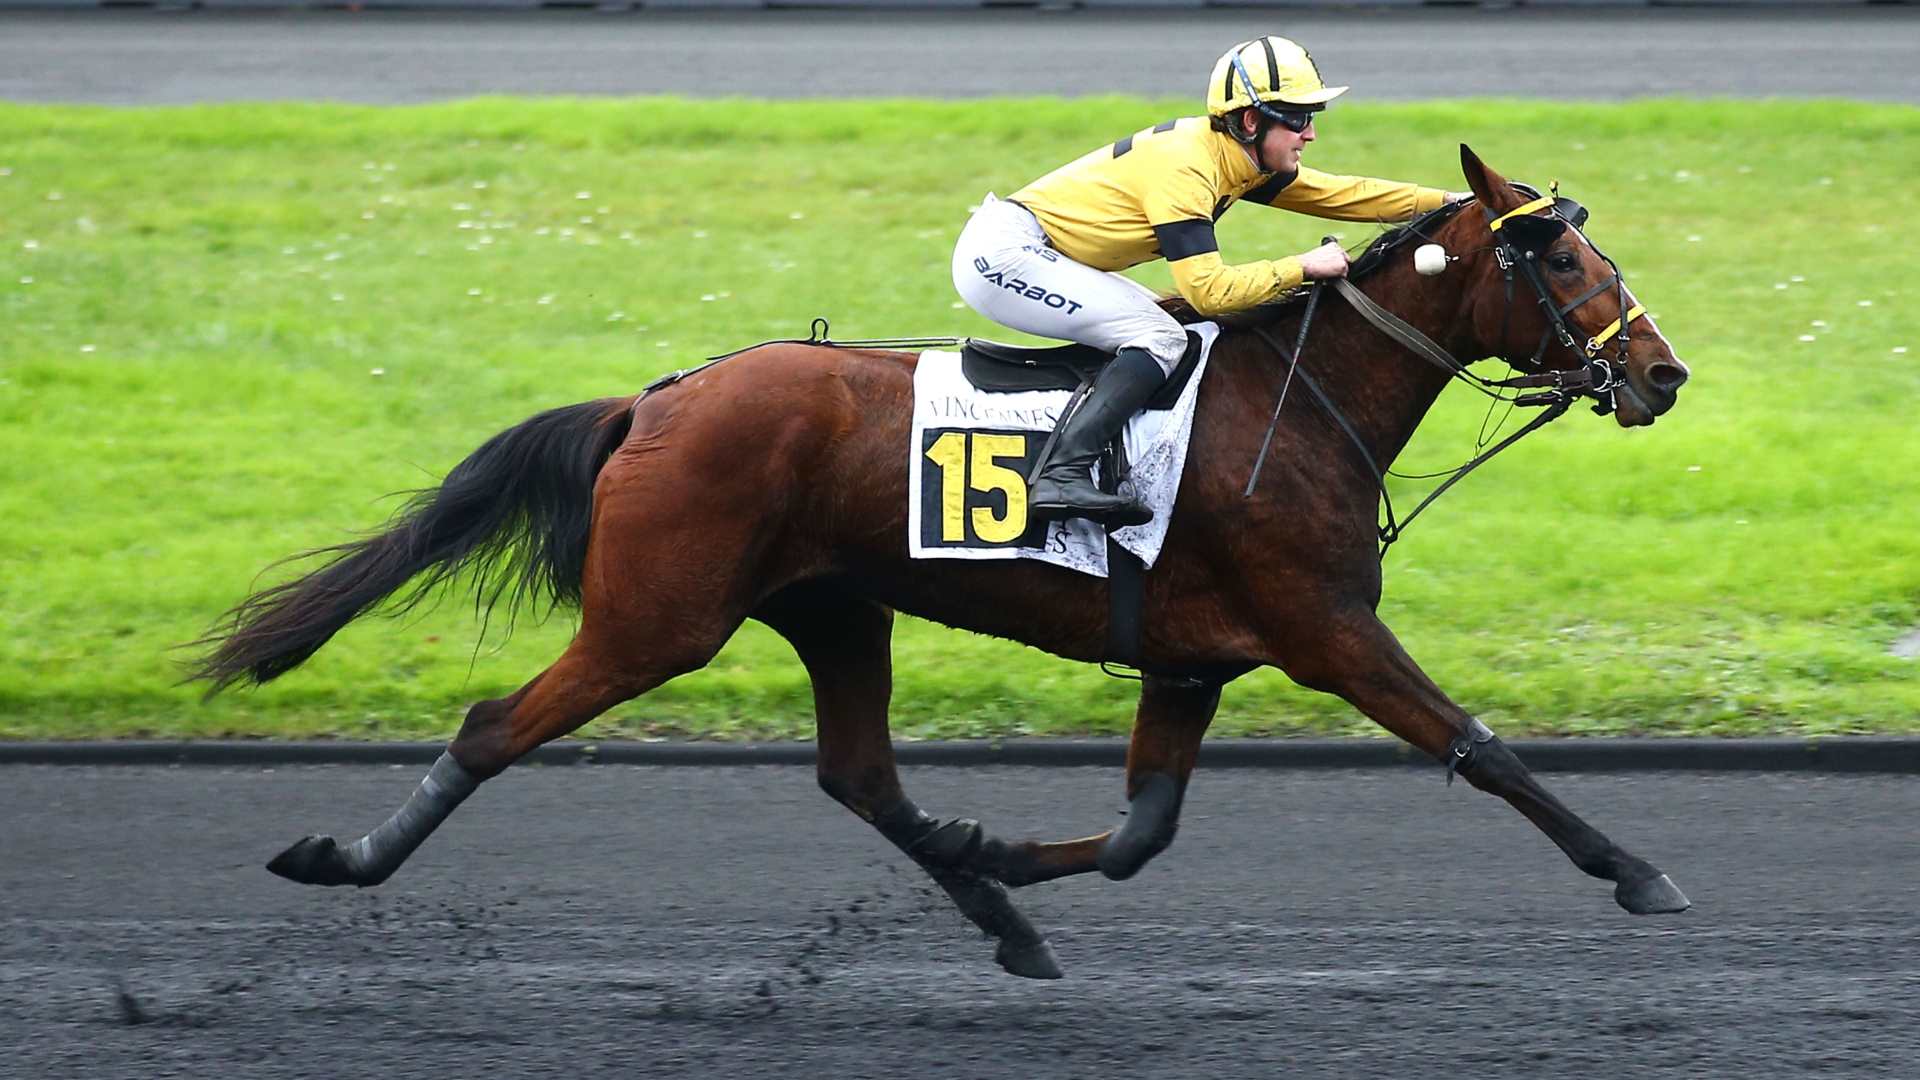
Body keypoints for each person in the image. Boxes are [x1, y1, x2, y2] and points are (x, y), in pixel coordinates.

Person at [952, 36, 1467, 528]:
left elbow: (1338, 194)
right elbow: (1210, 291)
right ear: (1250, 120)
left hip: (1045, 252)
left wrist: (1453, 201)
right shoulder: (1188, 168)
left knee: (1179, 329)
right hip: (1005, 258)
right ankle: (1061, 475)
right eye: (1299, 119)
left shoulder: (1232, 154)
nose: (1310, 134)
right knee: (1160, 336)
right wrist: (1303, 266)